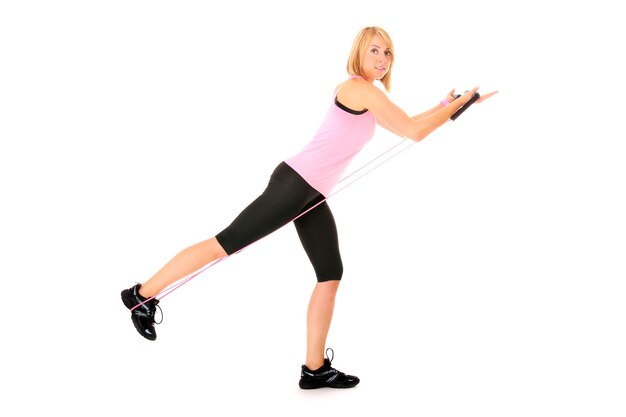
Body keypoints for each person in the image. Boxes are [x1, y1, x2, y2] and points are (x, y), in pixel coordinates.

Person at [120, 26, 497, 389]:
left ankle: (314, 370)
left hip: (312, 193)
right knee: (226, 242)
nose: (382, 59)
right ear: (359, 52)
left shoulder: (371, 94)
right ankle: (141, 295)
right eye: (375, 50)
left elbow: (409, 123)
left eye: (388, 53)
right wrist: (461, 106)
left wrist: (447, 104)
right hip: (295, 185)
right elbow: (414, 133)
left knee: (330, 273)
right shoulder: (358, 88)